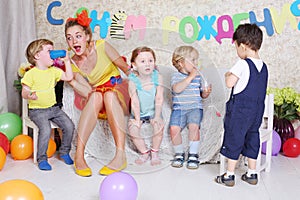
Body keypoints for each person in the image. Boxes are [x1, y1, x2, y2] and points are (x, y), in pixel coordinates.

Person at [65, 10, 131, 177]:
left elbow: (126, 69)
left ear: (87, 36)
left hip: (119, 91)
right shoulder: (72, 62)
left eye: (78, 36)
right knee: (96, 95)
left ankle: (120, 155)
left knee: (108, 94)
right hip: (99, 96)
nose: (74, 41)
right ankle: (79, 155)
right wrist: (71, 80)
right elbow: (87, 91)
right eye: (69, 37)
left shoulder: (101, 45)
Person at [215, 23, 268, 187]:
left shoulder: (242, 63)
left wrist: (227, 74)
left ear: (243, 46)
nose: (237, 51)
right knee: (253, 138)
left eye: (236, 47)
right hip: (257, 112)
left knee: (234, 138)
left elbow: (230, 83)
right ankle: (252, 173)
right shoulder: (264, 66)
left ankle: (229, 174)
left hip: (240, 111)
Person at [21, 39, 75, 171]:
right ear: (37, 56)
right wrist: (29, 95)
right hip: (37, 111)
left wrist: (67, 61)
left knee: (69, 125)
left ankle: (64, 151)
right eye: (49, 51)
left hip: (53, 109)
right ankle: (42, 158)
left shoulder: (54, 71)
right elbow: (24, 92)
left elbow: (69, 77)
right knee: (45, 130)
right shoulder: (30, 74)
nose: (53, 54)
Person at [169, 46, 211, 169]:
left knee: (194, 127)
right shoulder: (175, 77)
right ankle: (179, 154)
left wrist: (205, 93)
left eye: (196, 60)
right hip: (179, 109)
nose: (196, 63)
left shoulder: (198, 78)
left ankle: (193, 154)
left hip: (194, 108)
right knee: (173, 129)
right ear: (181, 63)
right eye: (193, 60)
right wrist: (190, 77)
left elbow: (201, 95)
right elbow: (176, 89)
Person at [128, 47, 164, 165]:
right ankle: (144, 152)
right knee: (133, 130)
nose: (147, 64)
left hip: (153, 111)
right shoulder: (133, 80)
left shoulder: (157, 77)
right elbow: (134, 101)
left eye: (150, 60)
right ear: (134, 65)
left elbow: (159, 98)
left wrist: (157, 116)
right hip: (139, 112)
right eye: (142, 61)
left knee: (159, 128)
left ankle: (155, 152)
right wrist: (137, 120)